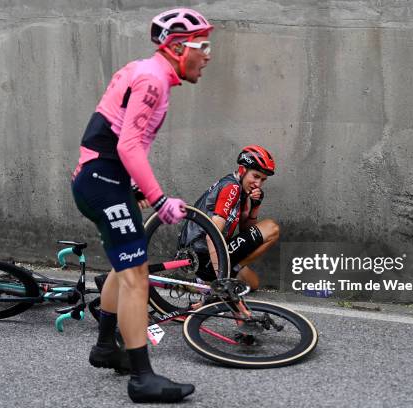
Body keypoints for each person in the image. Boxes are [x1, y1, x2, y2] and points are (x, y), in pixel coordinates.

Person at [71, 8, 213, 403]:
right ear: (178, 46)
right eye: (203, 46)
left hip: (102, 181)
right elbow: (127, 145)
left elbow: (110, 133)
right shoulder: (153, 81)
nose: (209, 55)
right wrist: (159, 199)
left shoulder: (143, 70)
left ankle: (105, 348)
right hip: (104, 182)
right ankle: (142, 379)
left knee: (125, 267)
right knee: (137, 277)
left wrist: (129, 184)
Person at [180, 145, 280, 290]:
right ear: (242, 170)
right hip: (201, 256)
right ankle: (209, 279)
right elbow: (211, 235)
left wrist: (255, 207)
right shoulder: (231, 188)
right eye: (256, 176)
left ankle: (219, 275)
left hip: (210, 253)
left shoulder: (242, 191)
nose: (258, 184)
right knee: (272, 227)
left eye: (263, 180)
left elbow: (247, 232)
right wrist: (222, 281)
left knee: (252, 283)